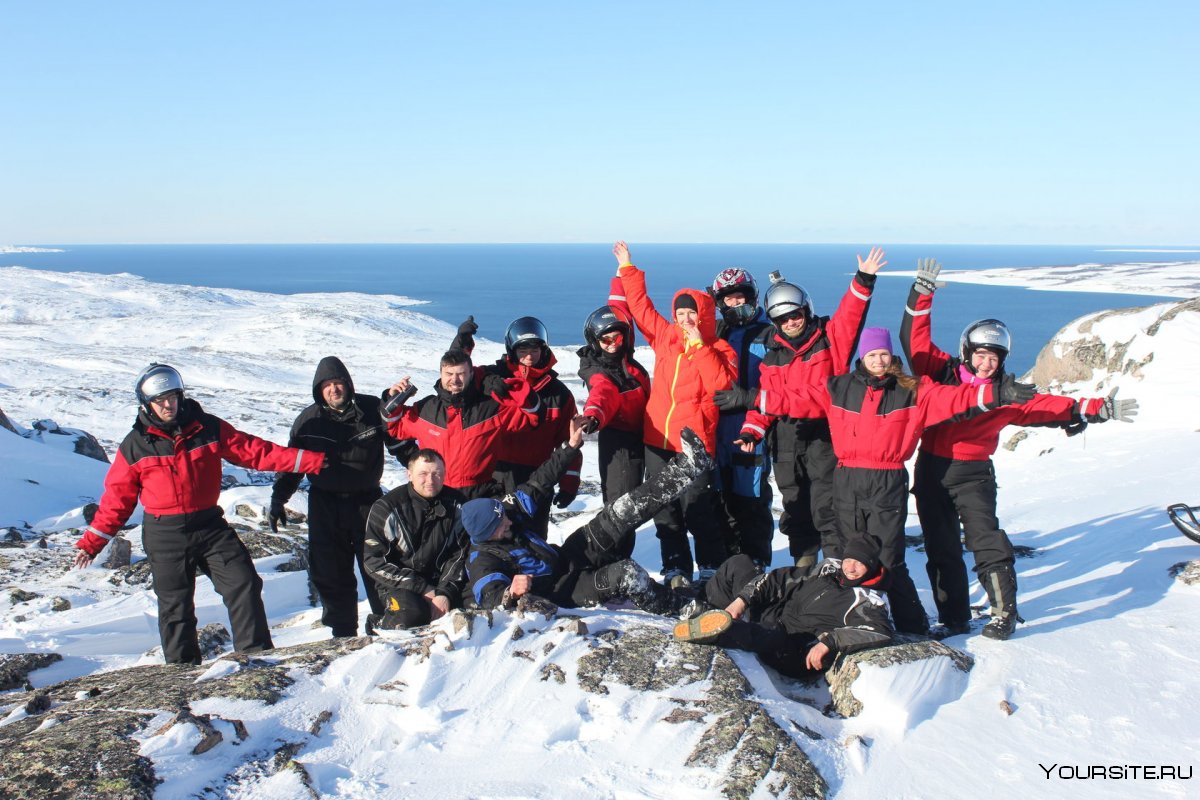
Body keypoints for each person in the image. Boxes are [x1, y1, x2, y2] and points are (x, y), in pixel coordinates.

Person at [719, 328, 1036, 634]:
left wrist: (999, 393)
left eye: (884, 353)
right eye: (872, 353)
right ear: (862, 357)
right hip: (846, 480)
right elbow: (793, 399)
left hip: (886, 480)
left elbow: (958, 399)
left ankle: (912, 625)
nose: (879, 359)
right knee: (846, 557)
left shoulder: (913, 390)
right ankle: (849, 618)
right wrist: (748, 398)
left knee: (887, 559)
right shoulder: (840, 387)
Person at [900, 260, 1140, 639]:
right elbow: (913, 338)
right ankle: (954, 618)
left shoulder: (1005, 394)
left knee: (986, 541)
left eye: (993, 358)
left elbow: (1042, 406)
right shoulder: (940, 372)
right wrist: (922, 294)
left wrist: (1091, 408)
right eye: (980, 355)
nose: (985, 363)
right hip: (931, 469)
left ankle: (1003, 613)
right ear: (967, 352)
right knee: (940, 546)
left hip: (973, 473)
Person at [74, 364, 326, 664]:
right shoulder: (135, 446)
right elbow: (118, 499)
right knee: (175, 606)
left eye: (173, 397)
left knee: (243, 582)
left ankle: (256, 657)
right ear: (147, 404)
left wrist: (312, 461)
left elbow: (254, 451)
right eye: (160, 400)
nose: (168, 405)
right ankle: (183, 673)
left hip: (209, 524)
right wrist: (92, 543)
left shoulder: (206, 427)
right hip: (164, 533)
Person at [723, 249, 884, 569]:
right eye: (782, 318)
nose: (791, 322)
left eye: (795, 314)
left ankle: (836, 566)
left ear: (806, 310)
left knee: (827, 504)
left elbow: (851, 316)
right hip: (785, 437)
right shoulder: (773, 356)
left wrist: (863, 281)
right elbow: (766, 402)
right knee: (795, 505)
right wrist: (751, 429)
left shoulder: (829, 340)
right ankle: (804, 568)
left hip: (824, 434)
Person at [464, 427, 713, 612]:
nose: (508, 521)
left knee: (623, 509)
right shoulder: (482, 559)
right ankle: (685, 609)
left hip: (567, 555)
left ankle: (689, 466)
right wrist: (509, 593)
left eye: (504, 516)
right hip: (564, 590)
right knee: (627, 574)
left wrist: (570, 447)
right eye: (501, 524)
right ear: (487, 533)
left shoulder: (507, 511)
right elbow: (487, 594)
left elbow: (539, 481)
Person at [614, 240, 738, 585]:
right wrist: (627, 268)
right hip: (657, 439)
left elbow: (721, 387)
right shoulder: (666, 338)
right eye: (680, 314)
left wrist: (699, 346)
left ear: (704, 315)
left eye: (691, 313)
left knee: (698, 507)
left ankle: (711, 566)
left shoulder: (720, 348)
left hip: (693, 443)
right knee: (664, 508)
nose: (685, 320)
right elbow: (640, 307)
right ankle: (675, 568)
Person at [269, 356, 404, 637]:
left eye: (338, 382)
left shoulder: (370, 410)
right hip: (325, 503)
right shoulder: (308, 422)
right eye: (327, 385)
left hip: (367, 502)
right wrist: (278, 499)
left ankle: (387, 623)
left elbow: (399, 445)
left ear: (348, 384)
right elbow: (293, 465)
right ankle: (342, 632)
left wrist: (422, 471)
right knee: (330, 571)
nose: (334, 389)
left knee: (378, 564)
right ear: (319, 390)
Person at [672, 542, 893, 678]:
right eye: (849, 559)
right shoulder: (828, 570)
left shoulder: (867, 600)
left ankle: (713, 630)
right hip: (774, 615)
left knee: (766, 636)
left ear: (871, 566)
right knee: (740, 563)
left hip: (794, 646)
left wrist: (830, 641)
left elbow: (879, 630)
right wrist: (742, 600)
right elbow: (778, 579)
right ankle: (697, 606)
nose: (851, 567)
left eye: (860, 563)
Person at [451, 315, 580, 534]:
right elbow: (457, 377)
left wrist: (570, 480)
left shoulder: (559, 394)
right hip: (492, 474)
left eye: (535, 350)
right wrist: (461, 345)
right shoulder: (493, 378)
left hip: (538, 477)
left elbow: (570, 440)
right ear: (512, 350)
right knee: (488, 535)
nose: (529, 357)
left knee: (532, 539)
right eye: (522, 351)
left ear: (544, 350)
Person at [383, 349, 540, 496]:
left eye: (461, 374)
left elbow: (533, 415)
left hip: (479, 493)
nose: (454, 380)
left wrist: (507, 389)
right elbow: (394, 427)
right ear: (441, 374)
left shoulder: (491, 408)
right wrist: (393, 399)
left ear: (472, 374)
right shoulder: (426, 409)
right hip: (437, 492)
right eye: (449, 373)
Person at [708, 268, 776, 566]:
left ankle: (756, 564)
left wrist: (748, 398)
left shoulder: (771, 333)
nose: (736, 305)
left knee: (751, 499)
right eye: (728, 300)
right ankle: (726, 566)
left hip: (753, 430)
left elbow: (781, 385)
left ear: (753, 297)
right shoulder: (717, 331)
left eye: (741, 298)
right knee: (720, 502)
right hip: (718, 430)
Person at [361, 448, 469, 630]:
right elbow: (373, 561)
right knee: (412, 614)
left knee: (473, 606)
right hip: (399, 584)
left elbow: (460, 553)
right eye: (423, 474)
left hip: (444, 581)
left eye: (437, 474)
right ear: (409, 474)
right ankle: (380, 625)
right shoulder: (387, 507)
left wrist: (444, 593)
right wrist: (422, 588)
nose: (431, 480)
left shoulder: (458, 504)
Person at [577, 301, 651, 557]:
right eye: (605, 340)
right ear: (595, 342)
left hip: (638, 441)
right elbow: (602, 394)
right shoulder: (601, 371)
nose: (612, 344)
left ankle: (616, 565)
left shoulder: (625, 363)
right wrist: (593, 416)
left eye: (617, 337)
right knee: (622, 508)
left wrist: (623, 271)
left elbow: (620, 306)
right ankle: (613, 567)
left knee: (630, 507)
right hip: (620, 445)